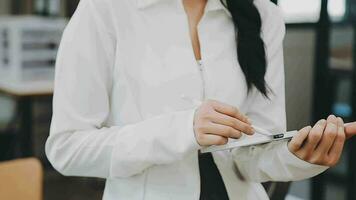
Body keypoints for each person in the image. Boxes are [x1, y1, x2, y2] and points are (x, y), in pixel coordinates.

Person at [45, 0, 353, 199]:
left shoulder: (264, 15)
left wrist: (300, 159)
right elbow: (66, 148)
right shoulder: (105, 9)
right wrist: (182, 129)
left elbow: (254, 154)